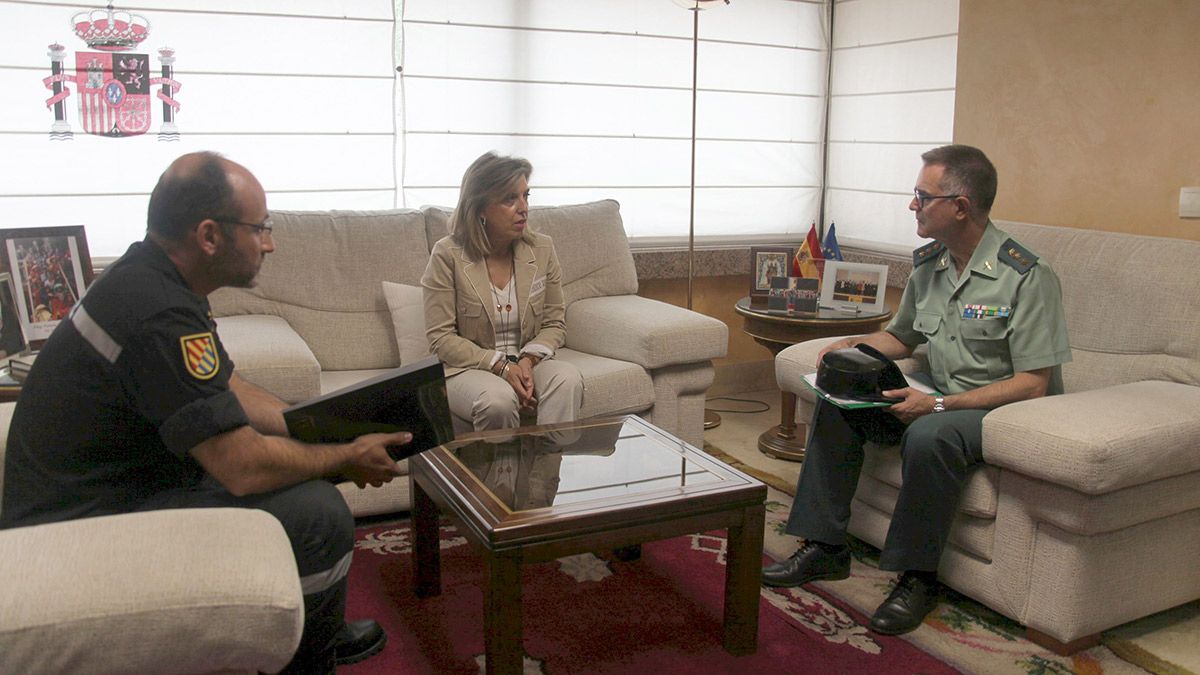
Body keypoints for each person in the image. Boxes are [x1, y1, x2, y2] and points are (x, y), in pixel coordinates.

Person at [0, 152, 404, 672]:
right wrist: (342, 455)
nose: (270, 242)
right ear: (209, 236)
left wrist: (310, 425)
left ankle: (314, 623)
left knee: (305, 478)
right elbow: (243, 467)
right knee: (318, 514)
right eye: (260, 228)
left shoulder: (150, 276)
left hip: (118, 483)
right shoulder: (158, 311)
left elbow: (225, 383)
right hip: (80, 524)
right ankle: (307, 655)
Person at [761, 144, 1071, 636]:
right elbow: (904, 337)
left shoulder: (1026, 277)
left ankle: (918, 579)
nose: (913, 206)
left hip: (996, 408)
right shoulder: (932, 263)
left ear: (960, 206)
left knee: (932, 435)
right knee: (840, 394)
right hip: (935, 392)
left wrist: (939, 405)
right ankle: (824, 547)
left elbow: (1033, 385)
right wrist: (850, 345)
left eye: (922, 196)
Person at [422, 152, 583, 431]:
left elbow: (554, 323)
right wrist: (501, 367)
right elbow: (441, 338)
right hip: (469, 368)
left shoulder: (542, 249)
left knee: (566, 379)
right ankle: (491, 477)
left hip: (527, 360)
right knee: (498, 400)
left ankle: (547, 473)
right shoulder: (447, 254)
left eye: (526, 196)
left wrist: (527, 362)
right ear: (480, 208)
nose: (524, 208)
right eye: (510, 199)